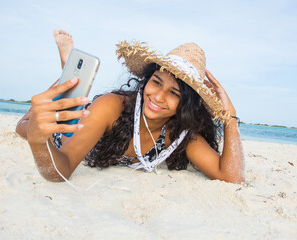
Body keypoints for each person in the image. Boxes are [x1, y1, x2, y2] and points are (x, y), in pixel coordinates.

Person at [16, 29, 244, 183]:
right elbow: (60, 170)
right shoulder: (112, 107)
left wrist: (230, 118)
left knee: (64, 118)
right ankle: (66, 83)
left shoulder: (180, 135)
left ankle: (70, 82)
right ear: (146, 80)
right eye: (156, 82)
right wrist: (39, 142)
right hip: (73, 134)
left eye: (174, 93)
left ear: (186, 104)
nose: (158, 96)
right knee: (26, 127)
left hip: (87, 122)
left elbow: (231, 177)